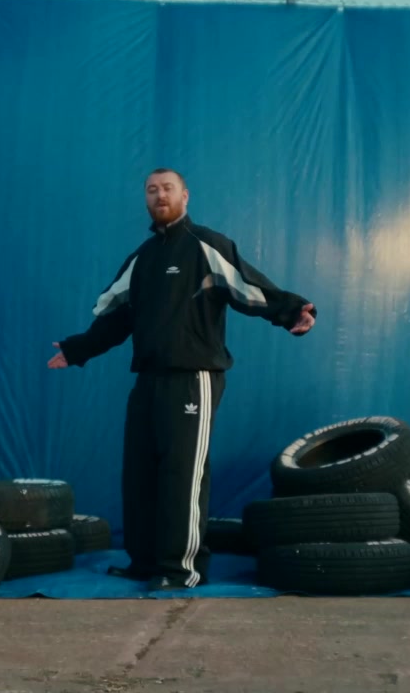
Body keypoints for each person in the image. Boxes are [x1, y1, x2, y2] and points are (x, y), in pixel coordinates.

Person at [47, 168, 317, 591]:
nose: (160, 195)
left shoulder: (206, 245)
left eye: (167, 188)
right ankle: (145, 562)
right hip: (148, 379)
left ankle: (181, 568)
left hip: (194, 377)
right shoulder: (141, 258)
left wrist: (293, 311)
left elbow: (249, 287)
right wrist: (77, 349)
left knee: (182, 474)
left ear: (185, 196)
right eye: (152, 190)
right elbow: (116, 318)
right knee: (140, 474)